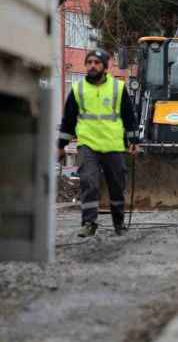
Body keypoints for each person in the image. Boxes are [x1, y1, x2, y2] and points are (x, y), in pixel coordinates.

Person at [57, 49, 139, 237]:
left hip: (114, 145)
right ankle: (88, 223)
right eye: (89, 62)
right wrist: (60, 145)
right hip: (88, 145)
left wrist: (134, 141)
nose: (92, 66)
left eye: (96, 62)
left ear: (105, 66)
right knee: (88, 182)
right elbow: (68, 121)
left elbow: (129, 117)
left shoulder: (118, 88)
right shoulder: (78, 89)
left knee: (117, 186)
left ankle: (118, 223)